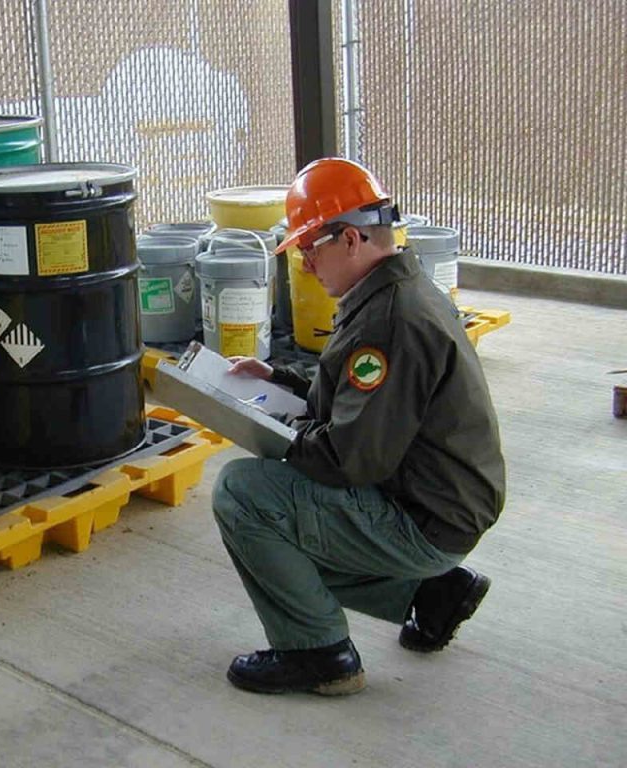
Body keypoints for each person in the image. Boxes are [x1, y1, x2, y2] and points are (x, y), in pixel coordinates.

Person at [212, 157, 505, 696]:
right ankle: (430, 595)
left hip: (424, 518)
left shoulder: (390, 320)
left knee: (246, 493)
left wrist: (274, 433)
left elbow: (349, 460)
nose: (302, 261)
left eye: (308, 246)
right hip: (440, 504)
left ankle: (319, 652)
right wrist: (279, 380)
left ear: (349, 239)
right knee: (286, 515)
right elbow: (357, 397)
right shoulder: (392, 292)